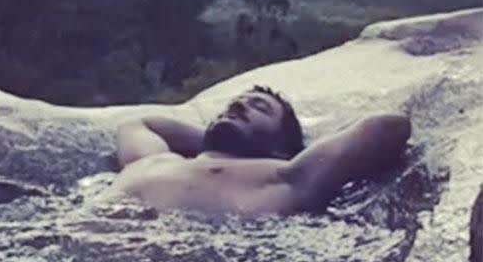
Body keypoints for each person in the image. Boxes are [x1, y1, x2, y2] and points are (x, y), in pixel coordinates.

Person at [109, 85, 411, 216]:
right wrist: (218, 139)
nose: (238, 105)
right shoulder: (153, 159)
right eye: (232, 105)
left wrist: (295, 153)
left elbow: (388, 127)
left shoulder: (286, 177)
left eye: (259, 108)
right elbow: (135, 123)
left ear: (281, 147)